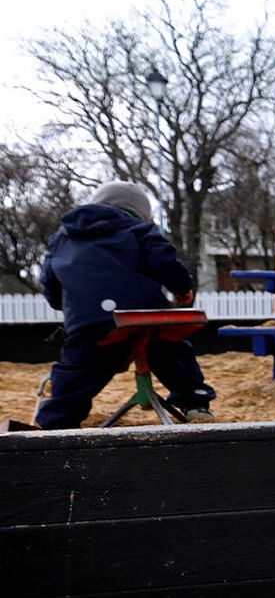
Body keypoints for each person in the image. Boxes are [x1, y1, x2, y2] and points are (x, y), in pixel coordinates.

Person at [36, 181, 215, 429]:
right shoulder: (140, 230)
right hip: (142, 314)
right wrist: (182, 290)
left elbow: (49, 280)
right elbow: (166, 260)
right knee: (170, 348)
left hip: (88, 320)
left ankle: (57, 422)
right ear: (139, 211)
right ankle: (194, 401)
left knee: (78, 369)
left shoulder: (63, 238)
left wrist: (65, 305)